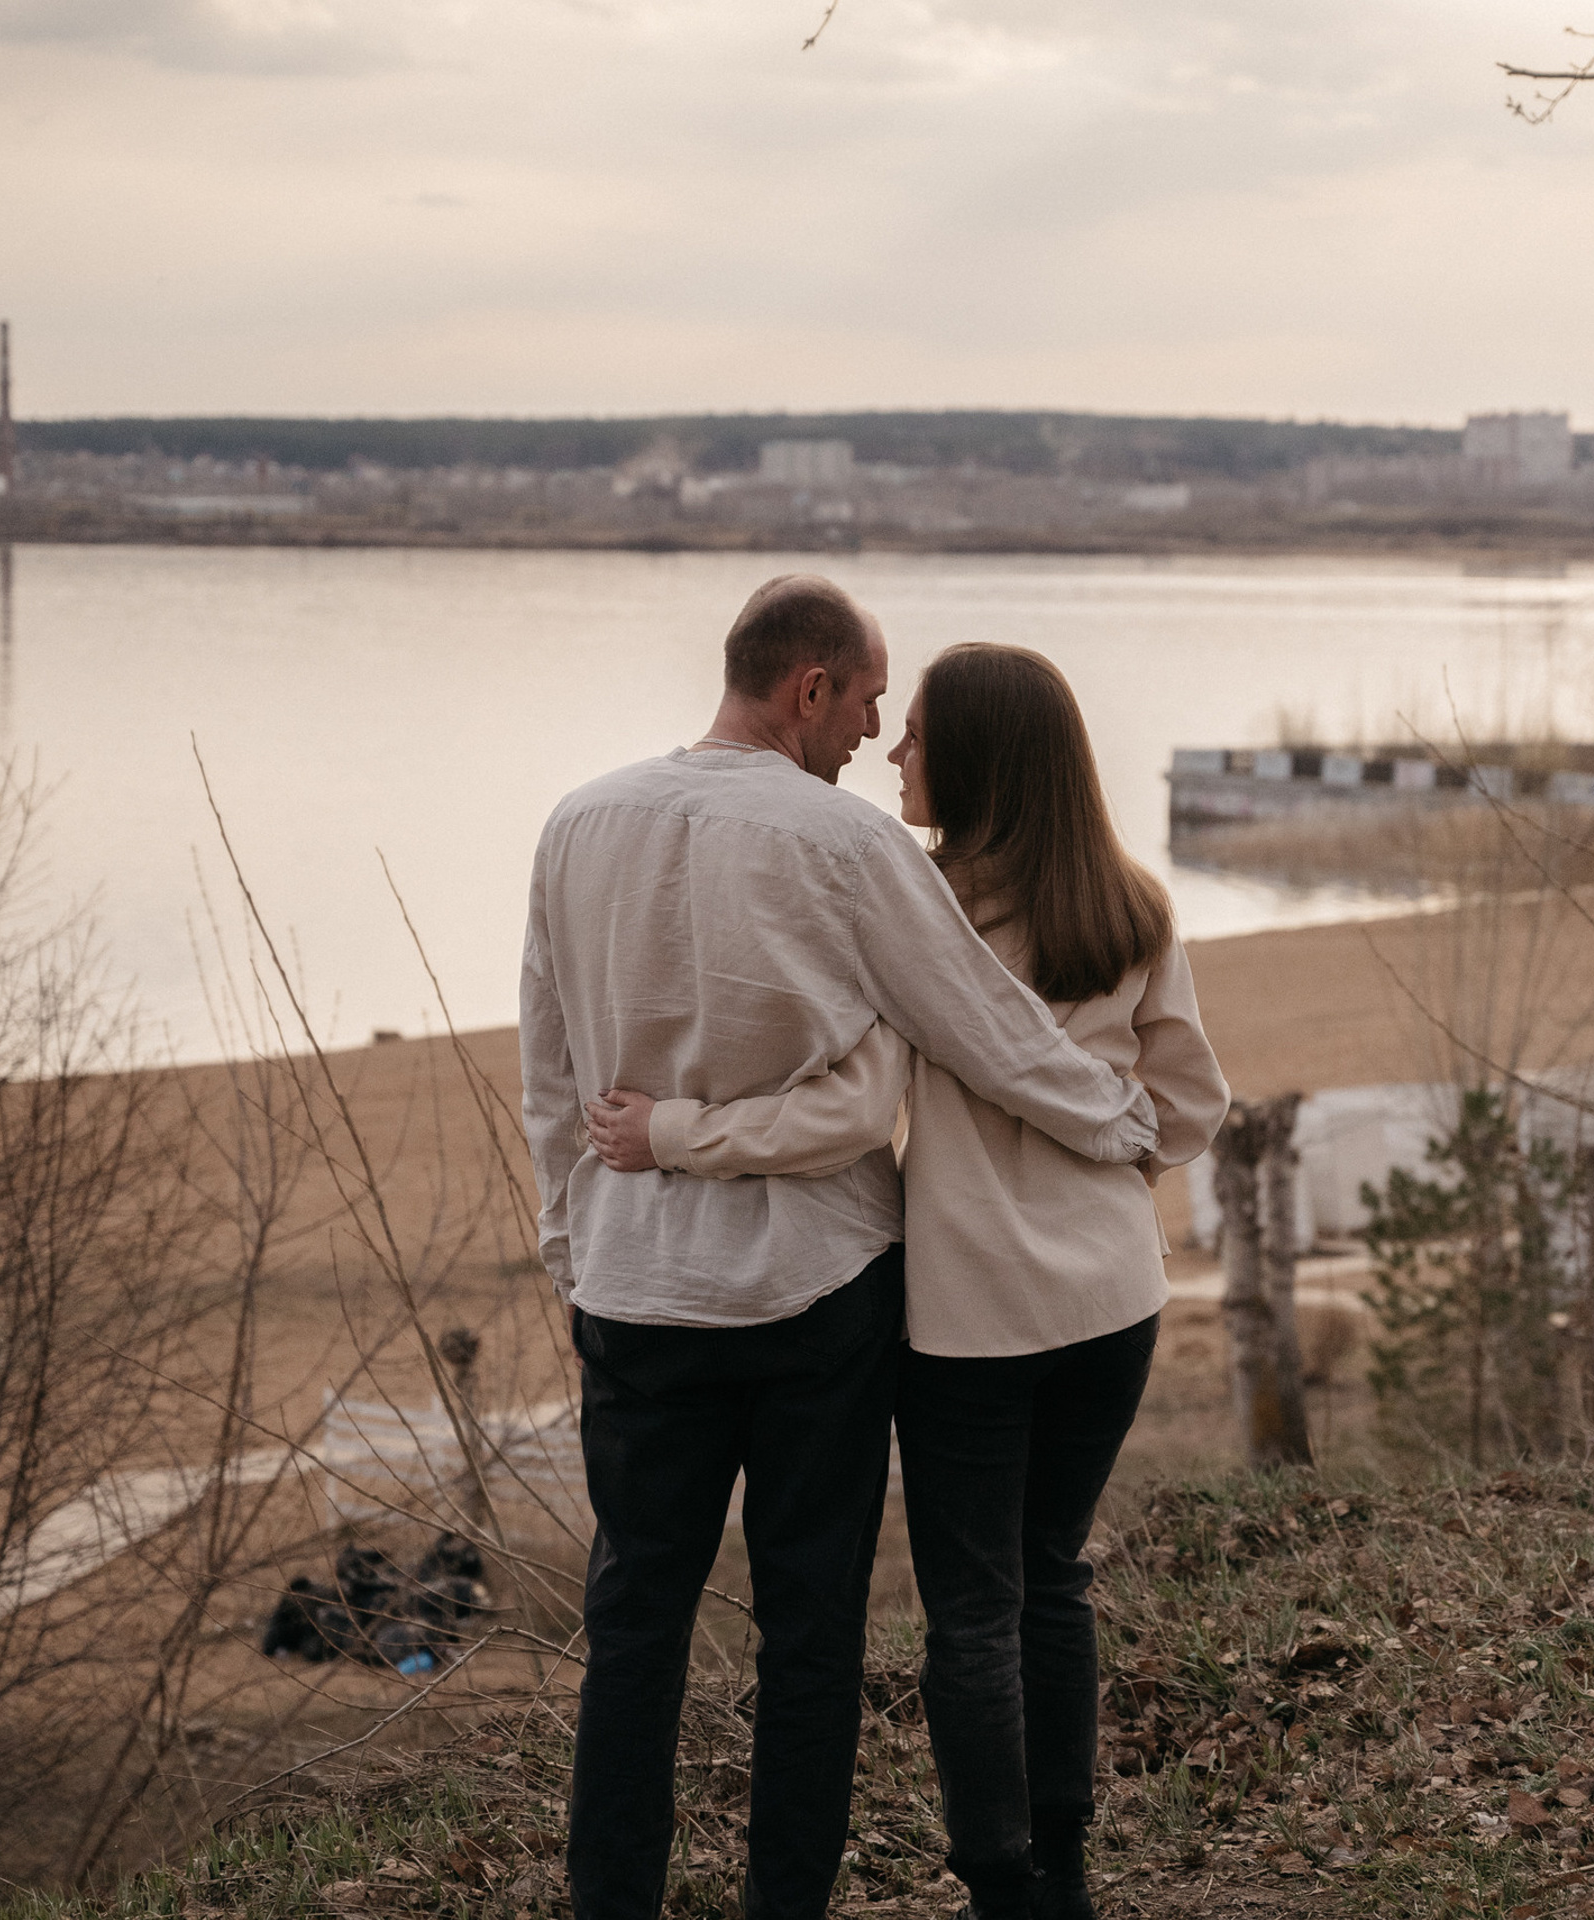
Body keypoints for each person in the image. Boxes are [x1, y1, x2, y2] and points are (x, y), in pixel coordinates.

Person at [519, 579, 1162, 1920]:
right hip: (816, 1297)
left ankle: (609, 1904)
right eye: (869, 698)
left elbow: (552, 1074)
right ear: (809, 686)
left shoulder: (576, 825)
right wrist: (1118, 1118)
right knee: (809, 1638)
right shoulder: (847, 848)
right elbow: (982, 1026)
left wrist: (575, 1249)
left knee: (633, 1627)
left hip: (635, 1297)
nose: (877, 732)